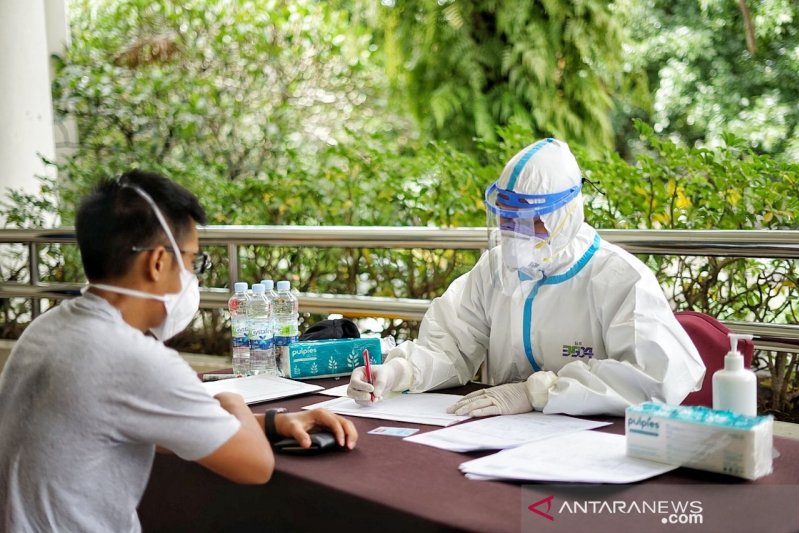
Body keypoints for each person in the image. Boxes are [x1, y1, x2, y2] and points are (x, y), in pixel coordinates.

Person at [0, 170, 357, 532]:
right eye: (192, 262)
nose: (192, 277)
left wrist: (272, 422)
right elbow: (255, 466)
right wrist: (233, 401)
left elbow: (156, 426)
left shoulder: (47, 328)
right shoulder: (133, 358)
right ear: (157, 262)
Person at [348, 138, 705, 417]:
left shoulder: (619, 278)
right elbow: (449, 345)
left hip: (593, 445)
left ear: (563, 215)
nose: (512, 232)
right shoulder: (494, 268)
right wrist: (399, 372)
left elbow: (654, 378)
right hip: (504, 438)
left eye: (528, 220)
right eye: (505, 217)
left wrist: (538, 392)